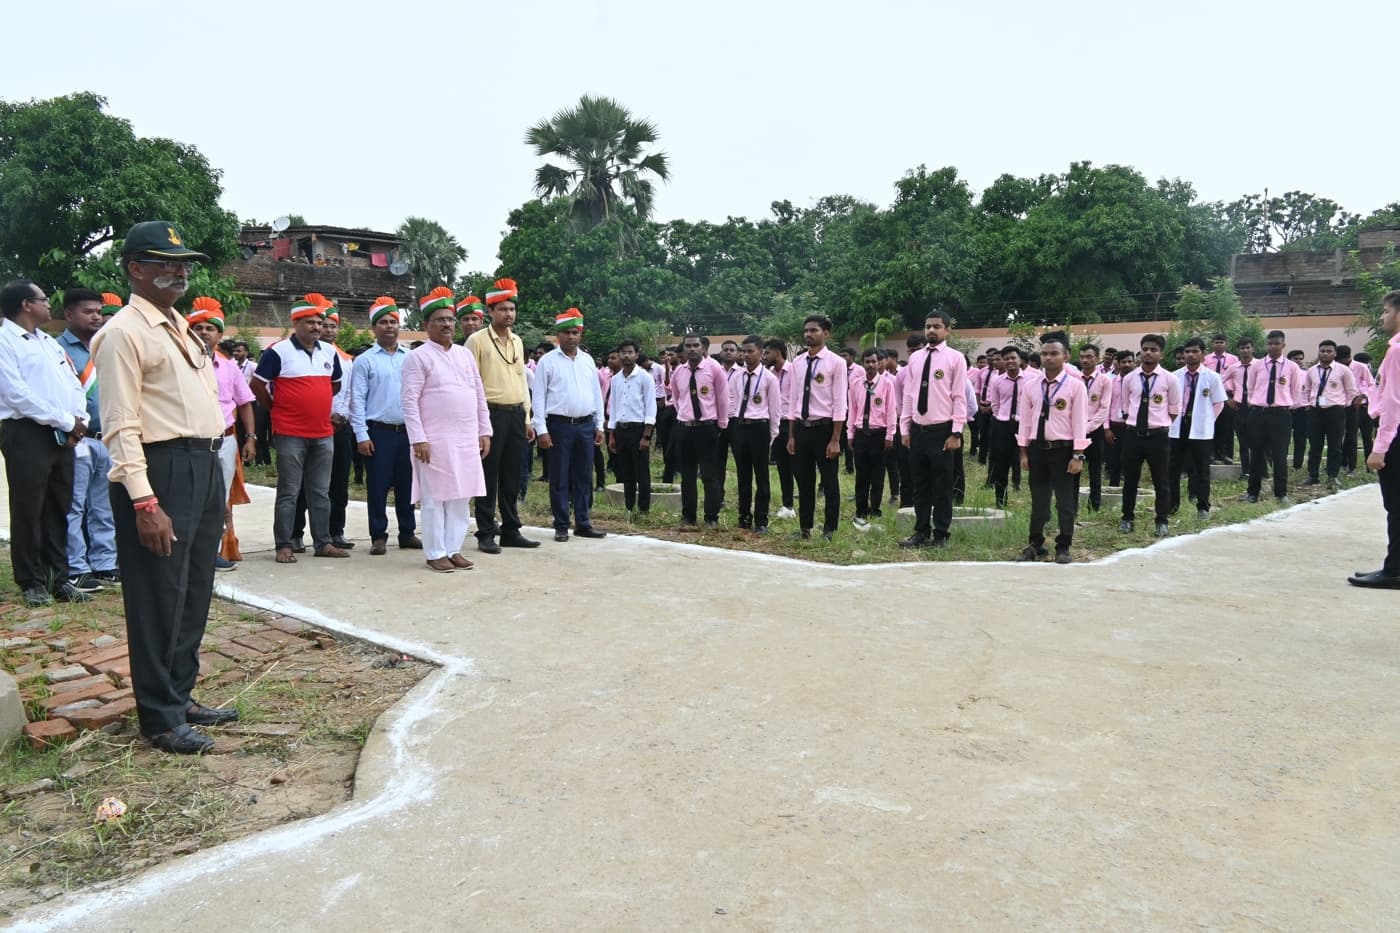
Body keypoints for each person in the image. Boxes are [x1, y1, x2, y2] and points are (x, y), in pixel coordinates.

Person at [90, 220, 234, 754]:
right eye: (164, 262)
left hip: (201, 464)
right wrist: (144, 500)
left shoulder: (178, 324)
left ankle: (181, 694)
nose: (178, 271)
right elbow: (120, 424)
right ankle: (159, 716)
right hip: (159, 469)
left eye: (183, 263)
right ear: (135, 269)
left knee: (194, 589)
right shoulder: (125, 332)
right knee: (158, 597)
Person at [0, 280, 91, 606]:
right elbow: (16, 394)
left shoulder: (49, 343)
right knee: (29, 508)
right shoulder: (5, 341)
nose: (49, 305)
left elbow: (72, 382)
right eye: (43, 299)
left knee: (59, 506)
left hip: (63, 432)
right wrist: (66, 421)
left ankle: (59, 578)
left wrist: (79, 420)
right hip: (26, 432)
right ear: (26, 304)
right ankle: (31, 581)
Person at [252, 293, 346, 563]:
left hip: (323, 432)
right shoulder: (277, 352)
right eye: (310, 322)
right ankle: (284, 544)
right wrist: (276, 407)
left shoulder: (329, 352)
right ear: (296, 323)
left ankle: (323, 542)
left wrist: (317, 401)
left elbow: (335, 384)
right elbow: (258, 386)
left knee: (320, 491)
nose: (316, 327)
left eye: (319, 322)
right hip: (290, 432)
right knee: (289, 492)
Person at [402, 293, 492, 572]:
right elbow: (409, 400)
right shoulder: (418, 357)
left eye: (450, 320)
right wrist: (418, 438)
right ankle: (435, 552)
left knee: (461, 495)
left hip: (466, 437)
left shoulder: (465, 354)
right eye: (439, 320)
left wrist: (484, 430)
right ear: (426, 324)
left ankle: (454, 549)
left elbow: (479, 394)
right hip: (434, 440)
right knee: (434, 499)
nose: (447, 325)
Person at [466, 280, 541, 553]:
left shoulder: (518, 341)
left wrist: (527, 418)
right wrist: (478, 423)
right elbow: (470, 383)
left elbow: (522, 380)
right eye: (502, 309)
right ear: (490, 312)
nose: (508, 314)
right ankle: (486, 532)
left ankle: (511, 530)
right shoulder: (476, 341)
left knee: (512, 475)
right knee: (487, 476)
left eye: (512, 309)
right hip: (490, 413)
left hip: (515, 414)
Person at [56, 289, 120, 593]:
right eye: (88, 312)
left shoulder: (106, 346)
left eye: (98, 311)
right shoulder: (58, 350)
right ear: (69, 315)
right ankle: (77, 567)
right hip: (77, 439)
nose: (96, 317)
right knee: (74, 506)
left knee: (103, 506)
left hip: (107, 436)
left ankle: (105, 562)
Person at [187, 297, 256, 569]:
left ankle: (212, 551)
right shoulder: (181, 362)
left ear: (220, 334)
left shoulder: (229, 367)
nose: (204, 332)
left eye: (210, 328)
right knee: (190, 494)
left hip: (225, 440)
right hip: (190, 440)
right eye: (198, 327)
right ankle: (188, 550)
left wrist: (250, 438)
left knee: (219, 496)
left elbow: (245, 403)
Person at [532, 309, 607, 542]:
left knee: (584, 476)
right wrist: (541, 429)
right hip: (559, 426)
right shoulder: (547, 362)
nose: (571, 337)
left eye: (576, 332)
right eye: (567, 332)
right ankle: (561, 524)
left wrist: (600, 425)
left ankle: (583, 523)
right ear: (558, 335)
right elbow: (539, 397)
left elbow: (596, 394)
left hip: (585, 426)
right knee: (559, 476)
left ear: (580, 335)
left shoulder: (587, 361)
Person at [350, 296, 416, 555]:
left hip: (408, 431)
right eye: (383, 323)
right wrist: (361, 435)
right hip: (378, 431)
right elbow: (356, 400)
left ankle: (408, 533)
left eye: (393, 322)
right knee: (377, 486)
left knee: (407, 485)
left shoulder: (411, 358)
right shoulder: (364, 361)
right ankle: (378, 536)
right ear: (374, 328)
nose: (389, 327)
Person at [1015, 332, 1087, 563]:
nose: (1048, 358)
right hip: (1037, 449)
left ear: (1066, 355)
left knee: (1065, 502)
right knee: (1039, 501)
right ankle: (1036, 543)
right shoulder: (1030, 386)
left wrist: (1078, 455)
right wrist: (1024, 452)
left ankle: (1063, 545)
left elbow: (1079, 423)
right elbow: (1025, 421)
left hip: (1063, 450)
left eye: (1054, 353)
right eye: (1044, 353)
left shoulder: (1075, 386)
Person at [291, 299, 357, 552]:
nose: (328, 330)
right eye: (324, 325)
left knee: (338, 484)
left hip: (340, 428)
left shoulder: (346, 359)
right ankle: (296, 533)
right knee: (303, 485)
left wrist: (342, 415)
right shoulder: (298, 353)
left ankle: (334, 532)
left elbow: (350, 392)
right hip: (310, 427)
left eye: (332, 326)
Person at [898, 311, 967, 548]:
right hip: (918, 430)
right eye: (928, 326)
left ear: (947, 330)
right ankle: (920, 531)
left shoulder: (955, 358)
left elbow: (959, 397)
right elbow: (909, 395)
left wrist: (956, 432)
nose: (931, 331)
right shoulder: (915, 358)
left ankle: (941, 534)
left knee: (942, 485)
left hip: (942, 431)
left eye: (937, 326)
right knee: (920, 484)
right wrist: (905, 429)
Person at [1349, 290, 1400, 588]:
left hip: (1395, 435)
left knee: (1396, 506)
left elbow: (1393, 405)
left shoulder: (1396, 350)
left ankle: (1393, 570)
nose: (1382, 317)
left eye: (1385, 311)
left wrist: (1379, 449)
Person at [785, 315, 849, 540]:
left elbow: (840, 403)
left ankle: (829, 530)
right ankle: (805, 528)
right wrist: (791, 435)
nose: (808, 335)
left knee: (829, 482)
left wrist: (835, 439)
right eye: (806, 331)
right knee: (804, 480)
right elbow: (793, 401)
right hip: (802, 428)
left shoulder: (836, 363)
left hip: (825, 429)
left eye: (814, 330)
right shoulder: (798, 363)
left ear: (826, 334)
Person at [1118, 334, 1181, 537]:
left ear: (1161, 354)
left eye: (1153, 349)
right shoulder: (1129, 378)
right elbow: (1126, 407)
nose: (1148, 353)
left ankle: (1161, 520)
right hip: (1133, 436)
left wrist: (1157, 425)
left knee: (1161, 480)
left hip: (1158, 437)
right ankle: (1127, 518)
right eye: (1145, 349)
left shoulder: (1170, 379)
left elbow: (1173, 410)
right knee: (1130, 480)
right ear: (1140, 351)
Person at [670, 333, 731, 529]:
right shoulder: (679, 372)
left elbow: (723, 398)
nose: (692, 349)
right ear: (684, 348)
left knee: (708, 474)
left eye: (696, 345)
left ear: (702, 348)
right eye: (688, 346)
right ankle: (688, 516)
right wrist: (685, 416)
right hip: (685, 428)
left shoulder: (714, 369)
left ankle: (711, 517)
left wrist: (721, 424)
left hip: (707, 428)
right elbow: (677, 398)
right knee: (687, 475)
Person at [1243, 330, 1305, 503]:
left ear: (1283, 345)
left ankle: (1281, 493)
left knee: (1280, 454)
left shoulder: (1292, 367)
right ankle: (1252, 492)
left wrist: (1287, 406)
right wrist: (1254, 402)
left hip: (1280, 414)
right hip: (1258, 413)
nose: (1273, 347)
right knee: (1256, 453)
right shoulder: (1257, 365)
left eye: (1276, 343)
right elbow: (1251, 387)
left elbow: (1295, 390)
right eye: (1270, 343)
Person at [728, 335, 781, 533]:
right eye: (744, 351)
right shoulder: (737, 376)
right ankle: (743, 517)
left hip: (760, 428)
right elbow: (732, 399)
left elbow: (775, 409)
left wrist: (772, 435)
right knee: (743, 476)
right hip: (740, 427)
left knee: (762, 477)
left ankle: (761, 520)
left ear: (761, 352)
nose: (746, 355)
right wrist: (733, 423)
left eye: (751, 351)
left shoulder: (769, 378)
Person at [1167, 338, 1225, 520]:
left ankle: (1203, 506)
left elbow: (1218, 403)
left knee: (1202, 470)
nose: (1190, 355)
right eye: (1187, 351)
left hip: (1200, 429)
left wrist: (1208, 420)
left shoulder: (1212, 377)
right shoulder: (1174, 376)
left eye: (1194, 351)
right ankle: (1171, 505)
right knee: (1172, 469)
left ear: (1203, 354)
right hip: (1177, 426)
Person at [606, 338, 657, 514]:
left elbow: (651, 406)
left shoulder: (645, 378)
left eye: (630, 352)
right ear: (619, 355)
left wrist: (646, 435)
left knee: (641, 471)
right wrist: (612, 434)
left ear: (636, 354)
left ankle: (643, 509)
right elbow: (614, 407)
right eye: (623, 352)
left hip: (639, 429)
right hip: (621, 429)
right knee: (625, 470)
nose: (626, 355)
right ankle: (629, 506)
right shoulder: (616, 379)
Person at [849, 347, 897, 529]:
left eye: (873, 361)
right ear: (863, 363)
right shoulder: (855, 384)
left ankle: (875, 508)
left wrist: (890, 435)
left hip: (879, 434)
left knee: (877, 475)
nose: (870, 365)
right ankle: (860, 509)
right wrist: (850, 434)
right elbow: (852, 411)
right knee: (861, 475)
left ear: (879, 363)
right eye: (867, 361)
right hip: (861, 434)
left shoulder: (887, 385)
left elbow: (891, 411)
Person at [1303, 339, 1358, 488]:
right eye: (1323, 351)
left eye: (1329, 351)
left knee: (1335, 445)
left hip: (1335, 411)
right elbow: (1306, 390)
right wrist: (1309, 405)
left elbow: (1351, 391)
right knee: (1315, 445)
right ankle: (1313, 475)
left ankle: (1332, 475)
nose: (1325, 354)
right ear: (1318, 352)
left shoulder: (1343, 370)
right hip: (1315, 411)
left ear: (1335, 353)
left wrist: (1342, 406)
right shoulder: (1312, 371)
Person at [986, 346, 1032, 509]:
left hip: (1024, 425)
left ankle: (1034, 500)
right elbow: (996, 404)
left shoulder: (1031, 379)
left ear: (1020, 360)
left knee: (1025, 460)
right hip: (1003, 425)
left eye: (1013, 358)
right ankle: (1000, 502)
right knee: (1000, 464)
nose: (1010, 361)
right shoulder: (997, 380)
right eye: (1006, 359)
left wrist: (1020, 418)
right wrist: (1003, 418)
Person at [762, 338, 797, 519]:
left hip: (792, 424)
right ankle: (788, 505)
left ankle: (804, 503)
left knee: (798, 466)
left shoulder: (794, 371)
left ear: (777, 352)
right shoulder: (767, 374)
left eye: (767, 352)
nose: (764, 356)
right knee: (782, 466)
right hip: (774, 424)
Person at [1077, 344, 1111, 511]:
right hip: (1074, 429)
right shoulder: (1074, 378)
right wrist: (1078, 428)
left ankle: (1094, 505)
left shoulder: (1104, 380)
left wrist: (1088, 428)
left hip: (1094, 429)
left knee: (1095, 468)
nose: (1085, 360)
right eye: (1082, 356)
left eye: (1089, 357)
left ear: (1097, 359)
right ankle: (1071, 504)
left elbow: (1104, 409)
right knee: (1074, 466)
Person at [895, 333, 926, 505]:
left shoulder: (933, 370)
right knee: (906, 468)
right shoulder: (902, 374)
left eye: (918, 350)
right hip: (908, 425)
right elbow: (900, 403)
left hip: (929, 425)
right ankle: (906, 504)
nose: (914, 354)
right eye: (911, 351)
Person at [1223, 339, 1259, 481]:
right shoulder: (1233, 367)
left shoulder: (1259, 365)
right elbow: (1219, 382)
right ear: (1238, 350)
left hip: (1255, 407)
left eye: (1247, 347)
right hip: (1239, 407)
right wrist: (1227, 399)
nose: (1245, 350)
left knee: (1257, 441)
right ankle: (1246, 472)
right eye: (1242, 348)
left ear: (1253, 349)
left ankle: (1260, 471)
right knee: (1243, 442)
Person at [1337, 344, 1373, 475]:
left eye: (1343, 360)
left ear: (1348, 357)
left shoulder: (1361, 367)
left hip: (1362, 406)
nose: (1341, 363)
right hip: (1345, 406)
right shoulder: (1337, 368)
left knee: (1367, 438)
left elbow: (1371, 385)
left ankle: (1370, 467)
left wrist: (1362, 396)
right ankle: (1349, 466)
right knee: (1349, 437)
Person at [1103, 350, 1135, 487]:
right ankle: (1113, 487)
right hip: (1115, 426)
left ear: (1134, 363)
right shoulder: (1110, 383)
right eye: (1123, 362)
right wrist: (1106, 429)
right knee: (1114, 460)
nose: (1127, 364)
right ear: (1118, 364)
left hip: (1132, 427)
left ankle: (1131, 487)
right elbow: (1105, 406)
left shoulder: (1138, 381)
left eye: (1129, 361)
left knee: (1131, 459)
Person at [1207, 334, 1240, 463]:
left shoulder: (1234, 359)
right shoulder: (1206, 359)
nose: (1219, 344)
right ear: (1212, 344)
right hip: (1210, 397)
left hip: (1228, 397)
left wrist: (1235, 397)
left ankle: (1226, 454)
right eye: (1216, 342)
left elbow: (1238, 379)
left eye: (1221, 342)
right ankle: (1211, 454)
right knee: (1211, 425)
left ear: (1226, 344)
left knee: (1227, 427)